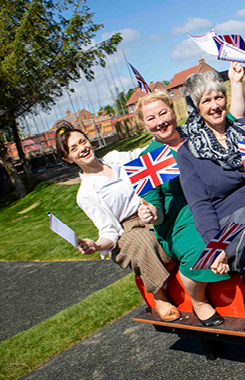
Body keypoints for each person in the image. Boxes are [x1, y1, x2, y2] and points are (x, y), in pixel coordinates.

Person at [132, 62, 245, 327]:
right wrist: (150, 213)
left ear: (173, 112)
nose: (160, 122)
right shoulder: (147, 159)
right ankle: (196, 296)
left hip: (216, 203)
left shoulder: (196, 133)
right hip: (180, 220)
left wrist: (236, 83)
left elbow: (235, 120)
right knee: (205, 247)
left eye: (163, 113)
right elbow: (157, 213)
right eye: (151, 119)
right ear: (144, 124)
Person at [176, 69, 245, 337]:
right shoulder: (189, 153)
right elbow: (200, 205)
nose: (215, 105)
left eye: (219, 97)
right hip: (230, 222)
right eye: (206, 101)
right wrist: (214, 246)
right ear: (196, 108)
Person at [55, 121, 180, 322]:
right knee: (143, 242)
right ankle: (160, 295)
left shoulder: (115, 159)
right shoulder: (86, 193)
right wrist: (96, 246)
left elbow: (143, 153)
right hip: (128, 229)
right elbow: (108, 231)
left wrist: (160, 130)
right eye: (74, 148)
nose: (82, 148)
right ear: (67, 158)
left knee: (182, 215)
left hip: (151, 206)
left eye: (83, 141)